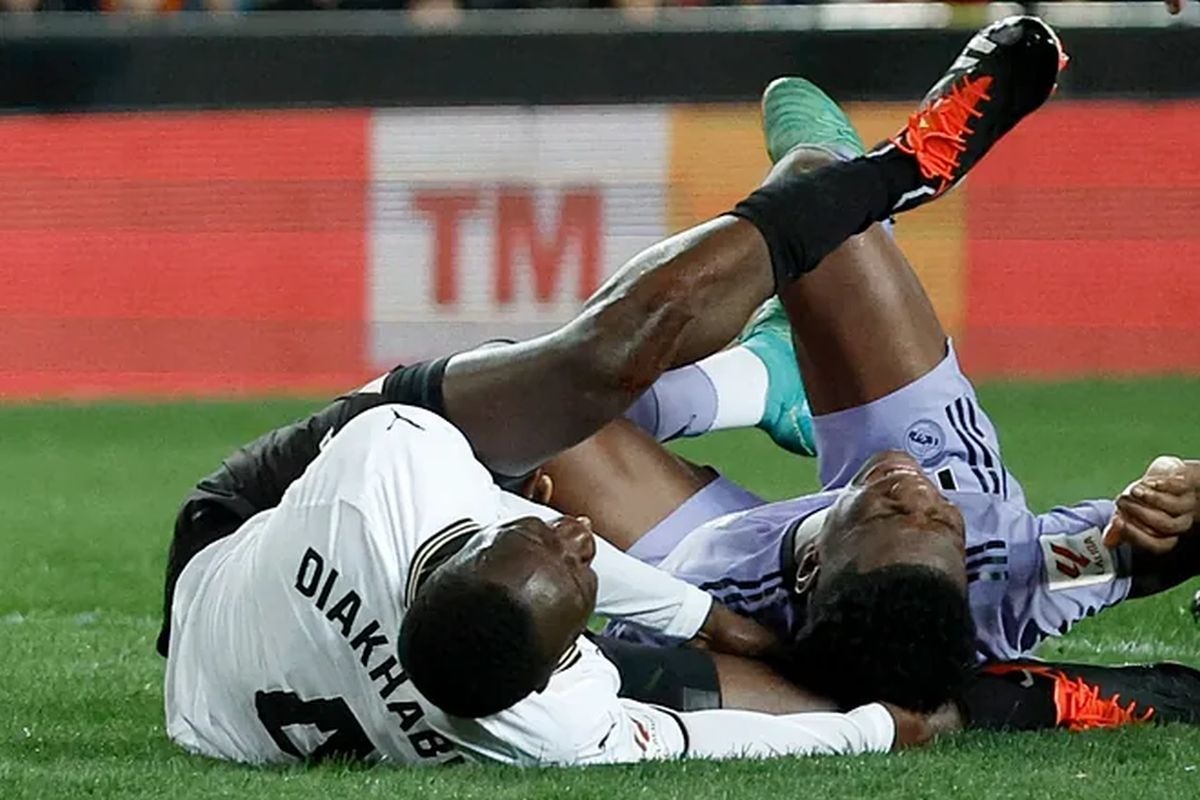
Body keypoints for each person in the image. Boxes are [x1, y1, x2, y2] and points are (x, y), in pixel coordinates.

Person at [159, 16, 1063, 766]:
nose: (580, 534)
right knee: (735, 679)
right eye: (579, 574)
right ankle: (759, 376)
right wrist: (875, 714)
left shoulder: (399, 458)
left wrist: (722, 627)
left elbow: (527, 543)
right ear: (565, 665)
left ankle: (896, 174)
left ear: (477, 523)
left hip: (245, 525)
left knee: (596, 366)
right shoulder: (557, 724)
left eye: (549, 537)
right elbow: (709, 734)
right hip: (238, 664)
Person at [542, 73, 1200, 731]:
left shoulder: (691, 614)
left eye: (891, 510)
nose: (916, 493)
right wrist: (1182, 496)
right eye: (940, 521)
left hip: (694, 556)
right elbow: (1146, 552)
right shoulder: (1008, 568)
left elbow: (559, 674)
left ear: (809, 562)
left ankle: (759, 377)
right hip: (918, 454)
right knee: (815, 186)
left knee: (529, 417)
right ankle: (774, 378)